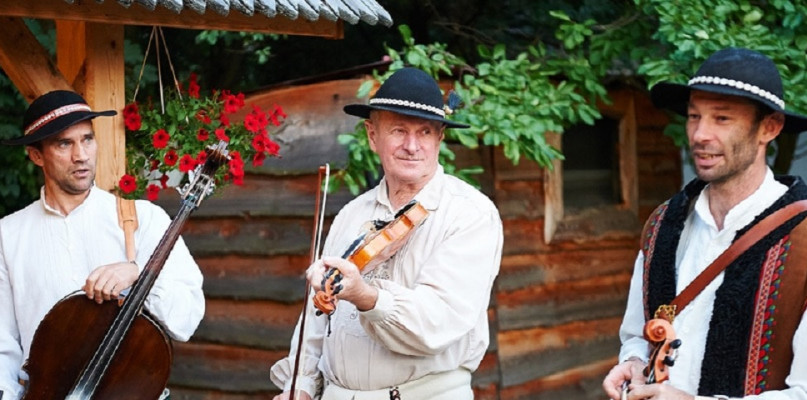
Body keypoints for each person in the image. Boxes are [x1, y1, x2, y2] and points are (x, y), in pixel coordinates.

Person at [270, 67, 503, 400]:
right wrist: (302, 385)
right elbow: (317, 315)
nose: (412, 145)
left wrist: (366, 295)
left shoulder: (471, 214)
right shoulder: (352, 215)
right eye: (398, 130)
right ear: (372, 135)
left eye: (424, 132)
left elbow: (437, 321)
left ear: (439, 139)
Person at [602, 47, 807, 400]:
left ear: (769, 128)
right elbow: (639, 332)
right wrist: (634, 362)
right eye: (694, 117)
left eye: (722, 119)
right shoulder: (663, 225)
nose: (699, 135)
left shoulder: (803, 237)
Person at [0, 90, 205, 399]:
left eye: (87, 139)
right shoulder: (8, 234)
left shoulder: (143, 218)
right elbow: (3, 345)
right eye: (64, 144)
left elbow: (186, 319)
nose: (81, 155)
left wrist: (138, 274)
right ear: (36, 154)